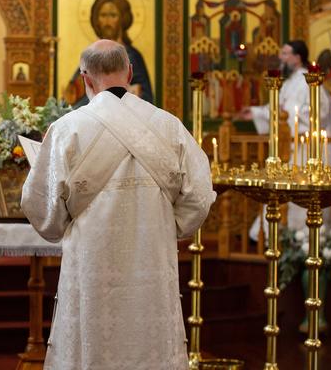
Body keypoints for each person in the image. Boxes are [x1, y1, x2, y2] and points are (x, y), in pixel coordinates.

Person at [22, 39, 215, 370]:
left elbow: (42, 210)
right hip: (151, 262)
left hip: (90, 264)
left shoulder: (67, 130)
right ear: (129, 71)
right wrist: (168, 226)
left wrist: (62, 223)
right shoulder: (169, 126)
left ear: (85, 78)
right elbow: (199, 197)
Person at [240, 40, 331, 237]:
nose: (281, 58)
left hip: (305, 148)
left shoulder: (309, 80)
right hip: (288, 148)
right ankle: (280, 235)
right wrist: (257, 112)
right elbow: (277, 108)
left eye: (285, 53)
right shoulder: (290, 82)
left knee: (300, 194)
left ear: (297, 57)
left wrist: (293, 117)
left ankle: (300, 237)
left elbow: (321, 111)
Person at [63, 0, 154, 107]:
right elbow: (71, 97)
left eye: (113, 15)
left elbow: (146, 99)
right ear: (97, 19)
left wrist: (133, 92)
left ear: (123, 19)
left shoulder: (132, 56)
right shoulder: (92, 56)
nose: (107, 22)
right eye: (103, 15)